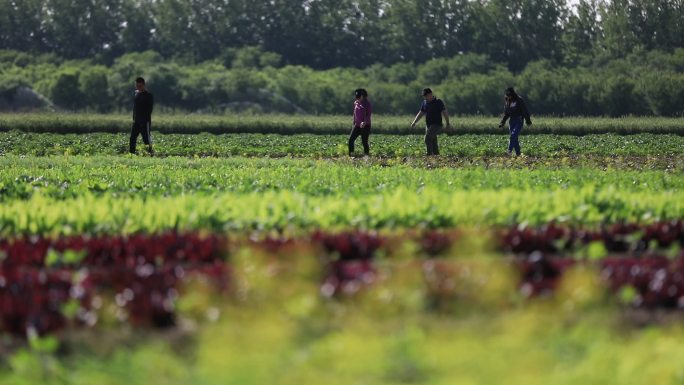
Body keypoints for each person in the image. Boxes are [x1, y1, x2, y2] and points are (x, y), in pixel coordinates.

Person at [410, 88, 451, 156]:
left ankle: (429, 155)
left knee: (427, 138)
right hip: (428, 125)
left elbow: (445, 112)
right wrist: (414, 122)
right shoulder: (425, 102)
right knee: (433, 141)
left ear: (430, 94)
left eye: (426, 96)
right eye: (424, 96)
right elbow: (421, 112)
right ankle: (436, 156)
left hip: (437, 125)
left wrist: (448, 123)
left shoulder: (438, 102)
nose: (425, 97)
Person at [498, 87, 531, 156]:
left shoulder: (519, 100)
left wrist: (528, 120)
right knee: (514, 138)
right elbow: (506, 114)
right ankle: (518, 154)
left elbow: (524, 110)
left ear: (513, 95)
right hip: (511, 121)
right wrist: (502, 122)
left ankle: (509, 151)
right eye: (508, 96)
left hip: (519, 120)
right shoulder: (507, 102)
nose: (509, 97)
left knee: (513, 135)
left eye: (510, 96)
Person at [130, 77, 154, 155]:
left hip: (144, 122)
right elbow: (135, 108)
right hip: (136, 121)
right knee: (132, 138)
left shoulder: (148, 96)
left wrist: (144, 120)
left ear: (144, 85)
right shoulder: (136, 94)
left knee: (146, 139)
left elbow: (149, 110)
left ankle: (150, 154)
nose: (138, 87)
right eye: (137, 86)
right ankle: (132, 154)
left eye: (140, 86)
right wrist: (134, 118)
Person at [348, 88, 372, 156]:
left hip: (365, 126)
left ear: (363, 96)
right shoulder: (356, 103)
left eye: (359, 97)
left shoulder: (367, 104)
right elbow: (354, 113)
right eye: (357, 97)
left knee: (364, 142)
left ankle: (366, 157)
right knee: (351, 140)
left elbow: (368, 114)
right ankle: (351, 156)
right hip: (357, 125)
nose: (358, 98)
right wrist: (354, 121)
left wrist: (364, 122)